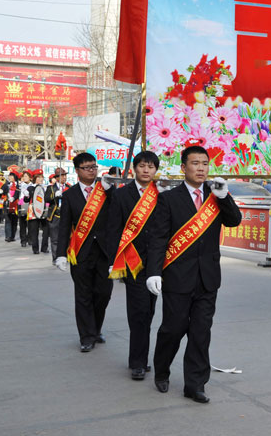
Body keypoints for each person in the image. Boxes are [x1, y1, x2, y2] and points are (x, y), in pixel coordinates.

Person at [146, 144, 241, 403]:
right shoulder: (168, 199)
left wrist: (224, 197)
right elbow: (158, 238)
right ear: (183, 167)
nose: (201, 168)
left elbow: (234, 220)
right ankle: (162, 370)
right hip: (177, 278)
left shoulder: (215, 195)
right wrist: (153, 272)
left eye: (205, 164)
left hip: (207, 277)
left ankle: (195, 384)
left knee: (201, 333)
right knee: (173, 329)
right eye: (195, 163)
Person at [106, 151, 162, 380]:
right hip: (133, 262)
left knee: (149, 312)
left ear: (156, 170)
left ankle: (142, 356)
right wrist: (113, 261)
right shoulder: (121, 195)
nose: (146, 170)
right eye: (142, 166)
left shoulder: (162, 194)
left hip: (158, 264)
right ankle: (138, 363)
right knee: (139, 313)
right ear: (134, 169)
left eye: (151, 166)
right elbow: (113, 230)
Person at [54, 153, 115, 352]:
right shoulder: (70, 195)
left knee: (103, 294)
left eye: (94, 167)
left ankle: (95, 328)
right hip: (80, 252)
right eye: (87, 167)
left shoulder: (106, 190)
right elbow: (64, 226)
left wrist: (110, 191)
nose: (91, 170)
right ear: (77, 170)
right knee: (83, 295)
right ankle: (87, 336)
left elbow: (119, 212)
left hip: (104, 252)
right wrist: (60, 254)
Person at [44, 169, 69, 260]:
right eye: (62, 175)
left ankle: (65, 256)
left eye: (65, 175)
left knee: (66, 237)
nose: (64, 177)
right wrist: (54, 194)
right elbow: (46, 198)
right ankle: (55, 257)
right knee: (55, 239)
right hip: (55, 215)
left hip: (66, 215)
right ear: (57, 177)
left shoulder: (69, 187)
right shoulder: (50, 188)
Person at [2, 172, 20, 242]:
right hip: (7, 204)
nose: (9, 177)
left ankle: (12, 236)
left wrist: (14, 198)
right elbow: (3, 192)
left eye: (11, 176)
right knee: (8, 220)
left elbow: (18, 193)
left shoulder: (18, 185)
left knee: (14, 221)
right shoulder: (6, 184)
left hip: (15, 205)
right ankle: (8, 236)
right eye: (9, 176)